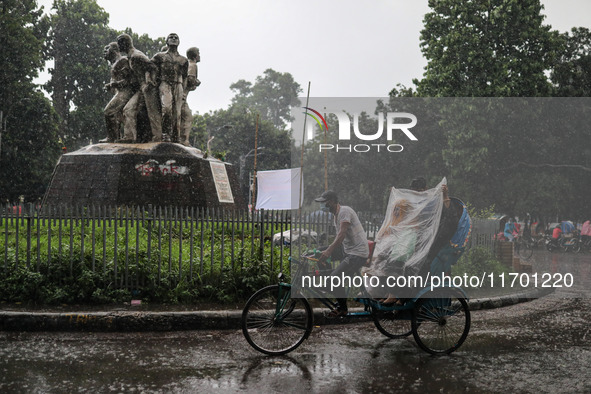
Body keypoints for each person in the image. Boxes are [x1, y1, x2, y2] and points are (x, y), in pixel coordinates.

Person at [315, 190, 369, 317]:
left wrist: (329, 251)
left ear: (333, 201)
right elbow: (339, 238)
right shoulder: (336, 214)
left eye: (325, 202)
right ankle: (331, 280)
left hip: (357, 253)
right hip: (347, 250)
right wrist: (325, 251)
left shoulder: (344, 211)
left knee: (334, 278)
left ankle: (343, 308)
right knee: (318, 253)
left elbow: (342, 234)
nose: (323, 205)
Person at [117, 33, 162, 142]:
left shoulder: (136, 55)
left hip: (148, 88)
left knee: (153, 113)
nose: (118, 47)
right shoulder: (130, 56)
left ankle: (158, 138)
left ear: (125, 43)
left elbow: (153, 66)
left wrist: (149, 81)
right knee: (128, 110)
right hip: (141, 88)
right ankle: (129, 137)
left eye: (120, 44)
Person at [152, 33, 189, 142]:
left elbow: (185, 76)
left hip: (178, 85)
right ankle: (166, 133)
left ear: (179, 42)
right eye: (171, 37)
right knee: (167, 109)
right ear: (167, 41)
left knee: (177, 113)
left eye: (176, 37)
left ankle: (175, 136)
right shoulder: (160, 56)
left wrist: (184, 91)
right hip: (165, 84)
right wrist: (150, 79)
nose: (173, 39)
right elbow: (149, 67)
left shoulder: (183, 60)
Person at [102, 42, 134, 143]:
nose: (105, 51)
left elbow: (129, 80)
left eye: (107, 48)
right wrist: (111, 85)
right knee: (117, 115)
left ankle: (112, 138)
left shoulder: (122, 61)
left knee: (109, 111)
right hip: (119, 91)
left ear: (115, 50)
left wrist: (115, 84)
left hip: (126, 92)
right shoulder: (115, 63)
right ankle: (116, 137)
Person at [179, 47, 201, 146]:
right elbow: (190, 79)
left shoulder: (186, 64)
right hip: (181, 97)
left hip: (180, 95)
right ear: (195, 56)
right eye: (198, 53)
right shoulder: (193, 65)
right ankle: (184, 140)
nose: (200, 55)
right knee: (187, 117)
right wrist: (197, 82)